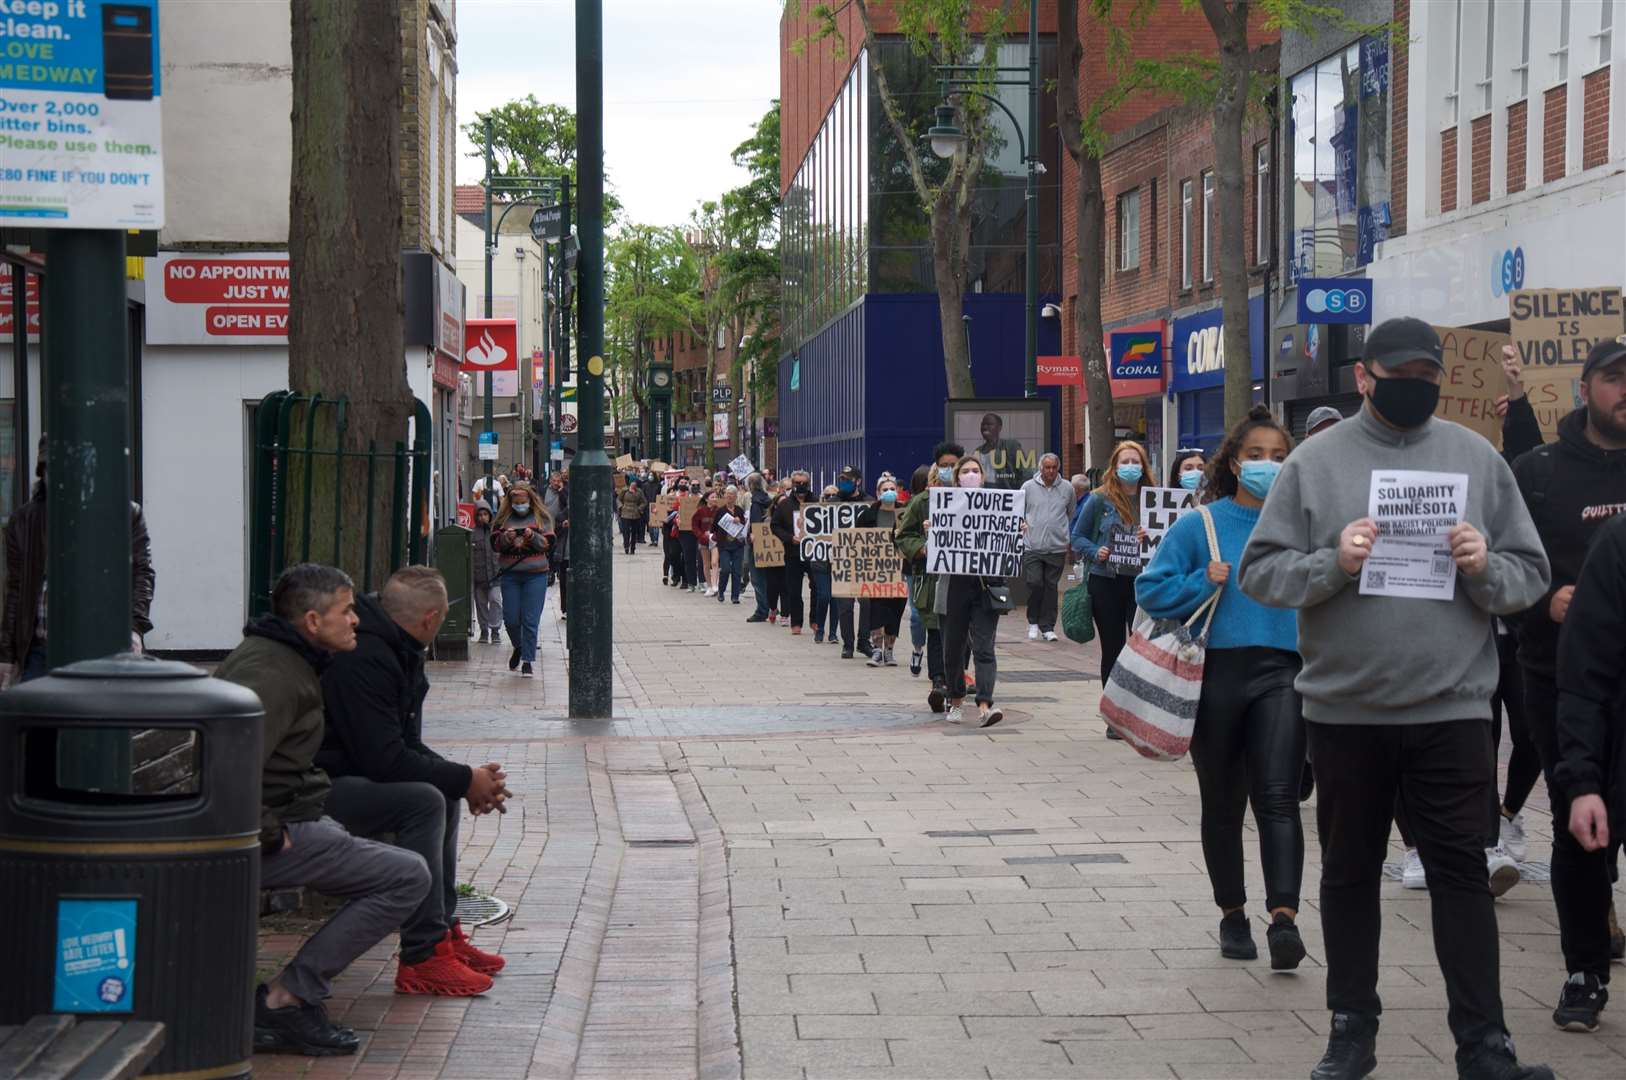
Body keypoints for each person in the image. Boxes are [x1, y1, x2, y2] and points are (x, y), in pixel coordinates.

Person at [1238, 316, 1553, 1080]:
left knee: (1461, 878)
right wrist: (1331, 563)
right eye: (1397, 370)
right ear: (1363, 378)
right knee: (1348, 874)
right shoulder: (1314, 464)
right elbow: (1261, 574)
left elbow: (1529, 575)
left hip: (1450, 712)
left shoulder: (1476, 458)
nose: (1413, 383)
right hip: (1346, 713)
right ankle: (1352, 1029)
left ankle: (1484, 1043)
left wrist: (1484, 567)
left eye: (1427, 372)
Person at [217, 564, 430, 1056]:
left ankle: (289, 994)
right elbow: (225, 763)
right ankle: (287, 997)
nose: (356, 619)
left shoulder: (289, 660)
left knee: (394, 830)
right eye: (346, 610)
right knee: (406, 876)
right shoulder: (271, 673)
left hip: (296, 814)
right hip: (271, 828)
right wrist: (270, 832)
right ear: (313, 621)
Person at [1137, 406, 1306, 969]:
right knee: (1224, 803)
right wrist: (1196, 581)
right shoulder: (1199, 525)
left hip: (1283, 671)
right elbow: (1150, 590)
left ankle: (1284, 918)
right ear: (1234, 462)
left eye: (1279, 457)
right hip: (1214, 676)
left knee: (1279, 798)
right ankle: (1233, 914)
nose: (1267, 465)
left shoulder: (1304, 524)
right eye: (1256, 455)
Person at [318, 567, 510, 997]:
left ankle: (442, 934)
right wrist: (465, 779)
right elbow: (384, 759)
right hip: (313, 787)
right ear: (431, 620)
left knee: (440, 791)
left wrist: (467, 781)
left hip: (343, 773)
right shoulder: (367, 656)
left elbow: (403, 744)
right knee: (424, 800)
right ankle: (423, 956)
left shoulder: (392, 645)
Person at [1510, 334, 1626, 1034]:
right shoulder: (1539, 472)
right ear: (1585, 388)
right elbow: (1502, 563)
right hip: (1564, 677)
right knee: (1583, 817)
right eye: (1615, 378)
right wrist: (1546, 598)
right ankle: (1585, 967)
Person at [1, 433, 157, 685]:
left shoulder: (126, 514)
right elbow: (15, 591)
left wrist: (134, 628)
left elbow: (142, 575)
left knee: (102, 720)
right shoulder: (24, 521)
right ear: (44, 472)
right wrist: (6, 654)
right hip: (42, 651)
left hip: (104, 648)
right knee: (38, 721)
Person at [1555, 512, 1626, 1022]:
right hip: (1615, 754)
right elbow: (1585, 671)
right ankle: (1586, 971)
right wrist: (1582, 781)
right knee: (1583, 849)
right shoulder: (1619, 542)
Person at [1072, 440, 1150, 739]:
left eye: (1136, 461)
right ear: (1115, 467)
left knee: (1143, 648)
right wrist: (1096, 551)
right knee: (1113, 649)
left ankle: (1142, 713)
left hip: (1142, 582)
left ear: (1143, 466)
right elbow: (1077, 536)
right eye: (1125, 461)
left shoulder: (1153, 499)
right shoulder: (1098, 499)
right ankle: (1116, 717)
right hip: (1106, 581)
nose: (1131, 467)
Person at [937, 457, 1004, 727]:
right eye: (965, 471)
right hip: (954, 586)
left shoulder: (998, 507)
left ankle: (985, 705)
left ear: (983, 476)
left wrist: (1017, 532)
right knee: (953, 648)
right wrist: (932, 533)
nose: (971, 475)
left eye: (976, 471)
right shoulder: (945, 505)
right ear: (957, 478)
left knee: (984, 647)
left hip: (986, 587)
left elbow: (1008, 545)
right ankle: (955, 700)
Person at [897, 444, 962, 713]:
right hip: (932, 577)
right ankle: (939, 682)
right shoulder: (922, 502)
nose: (950, 470)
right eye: (944, 465)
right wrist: (921, 548)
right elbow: (903, 535)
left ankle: (955, 680)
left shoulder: (978, 499)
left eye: (954, 465)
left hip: (965, 579)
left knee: (960, 634)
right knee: (935, 629)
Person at [492, 482, 553, 679]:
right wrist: (507, 538)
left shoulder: (541, 517)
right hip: (510, 574)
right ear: (510, 502)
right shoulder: (502, 519)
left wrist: (532, 536)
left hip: (536, 574)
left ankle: (528, 660)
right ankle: (518, 646)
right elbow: (495, 545)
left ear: (530, 500)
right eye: (516, 502)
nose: (520, 505)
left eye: (523, 501)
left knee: (530, 619)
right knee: (510, 618)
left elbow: (547, 544)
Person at [1019, 453, 1072, 642]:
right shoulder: (1028, 487)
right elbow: (1019, 512)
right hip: (1032, 546)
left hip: (1056, 547)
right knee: (1035, 583)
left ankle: (1047, 627)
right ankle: (1032, 621)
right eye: (1047, 467)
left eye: (1054, 468)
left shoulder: (1067, 488)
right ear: (1040, 468)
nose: (1050, 471)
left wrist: (1065, 536)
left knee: (1051, 587)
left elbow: (1070, 513)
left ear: (1058, 469)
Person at [858, 475, 906, 666]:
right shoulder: (868, 515)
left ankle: (889, 650)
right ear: (878, 493)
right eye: (884, 489)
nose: (888, 492)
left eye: (892, 488)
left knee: (896, 610)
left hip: (900, 570)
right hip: (875, 571)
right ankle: (877, 649)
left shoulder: (904, 512)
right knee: (876, 609)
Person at [829, 465, 870, 658]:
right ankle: (848, 643)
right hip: (842, 561)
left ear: (858, 481)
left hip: (865, 562)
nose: (843, 482)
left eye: (848, 479)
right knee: (844, 606)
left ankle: (864, 640)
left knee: (867, 602)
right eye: (842, 478)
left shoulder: (869, 502)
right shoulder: (832, 503)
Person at [771, 469, 813, 634]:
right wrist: (789, 538)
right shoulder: (785, 505)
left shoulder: (816, 502)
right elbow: (775, 526)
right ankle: (796, 623)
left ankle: (815, 620)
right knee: (794, 589)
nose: (800, 486)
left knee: (817, 587)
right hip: (793, 553)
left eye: (804, 483)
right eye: (797, 483)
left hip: (813, 553)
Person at [746, 473, 778, 622]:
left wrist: (752, 535)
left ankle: (762, 610)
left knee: (758, 579)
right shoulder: (769, 500)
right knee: (769, 578)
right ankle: (772, 607)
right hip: (769, 544)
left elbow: (755, 524)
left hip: (757, 544)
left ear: (750, 486)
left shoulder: (755, 503)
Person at [470, 504, 503, 645]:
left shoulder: (496, 532)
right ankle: (484, 631)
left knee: (495, 601)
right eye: (479, 514)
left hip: (495, 576)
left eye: (485, 514)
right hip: (479, 576)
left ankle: (495, 630)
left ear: (490, 515)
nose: (482, 517)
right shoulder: (472, 533)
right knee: (481, 604)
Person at [973, 411, 1031, 488]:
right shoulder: (978, 451)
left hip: (1006, 494)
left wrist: (1018, 493)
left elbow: (1026, 473)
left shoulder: (1010, 445)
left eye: (989, 424)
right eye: (983, 424)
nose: (985, 427)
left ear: (999, 428)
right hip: (985, 495)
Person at [543, 471, 570, 621]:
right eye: (553, 480)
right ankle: (550, 573)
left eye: (558, 480)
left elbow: (569, 505)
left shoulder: (564, 492)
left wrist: (562, 490)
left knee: (557, 557)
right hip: (546, 529)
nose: (555, 482)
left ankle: (553, 571)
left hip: (560, 530)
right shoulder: (544, 491)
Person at [714, 487, 748, 604]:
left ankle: (735, 596)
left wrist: (740, 521)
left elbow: (745, 526)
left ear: (735, 497)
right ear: (725, 496)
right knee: (725, 569)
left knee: (737, 571)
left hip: (737, 544)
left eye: (732, 494)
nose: (730, 496)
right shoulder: (720, 511)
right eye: (728, 494)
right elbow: (714, 527)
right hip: (724, 545)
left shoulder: (739, 510)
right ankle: (721, 591)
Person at [692, 490, 719, 596]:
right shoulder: (700, 511)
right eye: (712, 497)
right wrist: (701, 535)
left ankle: (715, 584)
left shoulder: (719, 511)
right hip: (703, 541)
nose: (715, 499)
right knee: (706, 564)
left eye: (716, 497)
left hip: (716, 541)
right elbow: (694, 525)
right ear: (707, 499)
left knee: (715, 562)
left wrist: (716, 535)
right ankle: (709, 586)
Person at [618, 473, 648, 555]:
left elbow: (644, 502)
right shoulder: (624, 490)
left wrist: (639, 508)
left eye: (635, 483)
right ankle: (626, 546)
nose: (634, 484)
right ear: (630, 483)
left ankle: (633, 548)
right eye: (632, 482)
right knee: (626, 531)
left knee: (634, 532)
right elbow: (618, 500)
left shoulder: (639, 491)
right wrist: (621, 506)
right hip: (625, 513)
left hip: (635, 514)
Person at [641, 469, 664, 547]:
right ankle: (652, 539)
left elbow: (660, 495)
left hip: (656, 505)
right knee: (650, 524)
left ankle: (656, 540)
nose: (650, 477)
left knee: (656, 524)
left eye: (652, 475)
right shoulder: (645, 485)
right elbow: (643, 495)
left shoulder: (658, 485)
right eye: (649, 475)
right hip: (647, 506)